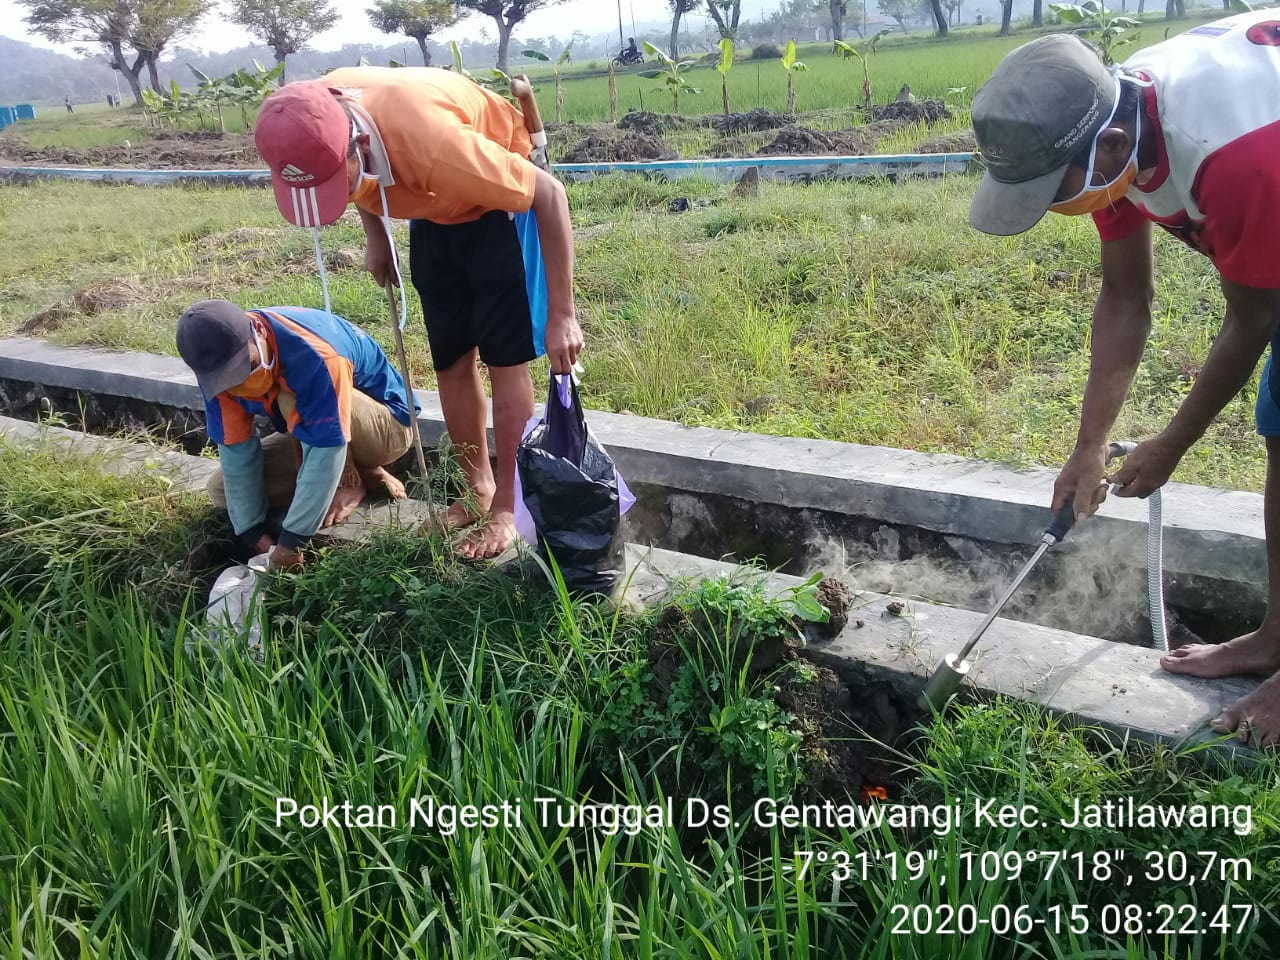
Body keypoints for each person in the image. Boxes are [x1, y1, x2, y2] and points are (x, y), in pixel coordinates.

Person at [967, 14, 1280, 743]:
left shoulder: (1235, 156)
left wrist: (1170, 443)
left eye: (1053, 189)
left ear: (1104, 147)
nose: (1053, 207)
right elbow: (1125, 298)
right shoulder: (1115, 126)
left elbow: (1254, 317)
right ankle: (1275, 636)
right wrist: (1089, 446)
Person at [253, 67, 583, 560]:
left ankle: (508, 508)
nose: (334, 198)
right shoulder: (306, 112)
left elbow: (549, 196)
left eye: (332, 183)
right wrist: (376, 236)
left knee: (504, 361)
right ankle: (477, 489)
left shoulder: (438, 146)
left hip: (496, 209)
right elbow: (359, 183)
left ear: (356, 146)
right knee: (450, 361)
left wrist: (563, 314)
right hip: (433, 212)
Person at [176, 299, 419, 571]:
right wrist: (253, 534)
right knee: (220, 491)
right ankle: (364, 473)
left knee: (291, 397)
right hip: (315, 432)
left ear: (258, 330)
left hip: (387, 428)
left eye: (243, 367)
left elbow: (326, 446)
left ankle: (349, 479)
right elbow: (236, 452)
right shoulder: (216, 377)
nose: (239, 383)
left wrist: (293, 543)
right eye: (228, 378)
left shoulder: (314, 354)